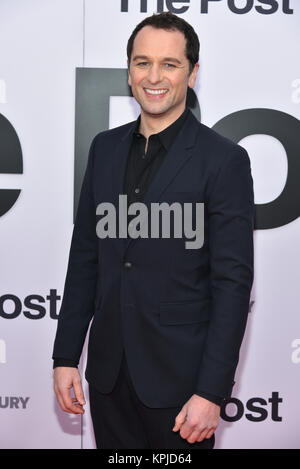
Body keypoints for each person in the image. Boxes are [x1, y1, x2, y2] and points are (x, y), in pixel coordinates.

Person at [52, 12, 254, 449]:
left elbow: (232, 284)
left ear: (193, 73)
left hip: (182, 388)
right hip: (107, 380)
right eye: (143, 63)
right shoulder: (104, 148)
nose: (154, 76)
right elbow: (86, 255)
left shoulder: (223, 161)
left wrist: (211, 392)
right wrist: (66, 354)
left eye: (170, 64)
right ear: (129, 71)